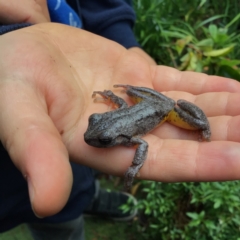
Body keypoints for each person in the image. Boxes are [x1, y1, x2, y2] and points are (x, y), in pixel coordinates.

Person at [1, 1, 240, 240]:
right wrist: (113, 98)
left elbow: (142, 142)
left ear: (116, 137)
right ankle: (91, 197)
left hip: (165, 110)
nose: (91, 134)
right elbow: (126, 113)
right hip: (145, 106)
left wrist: (135, 165)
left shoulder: (129, 137)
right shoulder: (116, 130)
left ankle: (204, 125)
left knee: (195, 121)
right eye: (95, 123)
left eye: (103, 139)